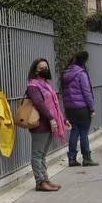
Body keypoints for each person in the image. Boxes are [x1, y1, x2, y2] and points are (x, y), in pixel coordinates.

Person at [26, 58, 68, 192]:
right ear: (35, 71)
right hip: (40, 125)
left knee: (43, 154)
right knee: (37, 155)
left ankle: (45, 179)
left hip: (51, 124)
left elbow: (54, 105)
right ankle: (40, 182)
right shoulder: (33, 86)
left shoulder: (46, 84)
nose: (45, 70)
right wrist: (51, 119)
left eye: (46, 67)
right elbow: (39, 103)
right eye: (41, 68)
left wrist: (62, 119)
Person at [60, 50, 98, 167]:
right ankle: (87, 158)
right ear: (84, 62)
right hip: (82, 108)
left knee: (74, 132)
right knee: (83, 133)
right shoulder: (81, 74)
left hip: (70, 109)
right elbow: (86, 92)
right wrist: (92, 108)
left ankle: (72, 158)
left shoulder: (65, 73)